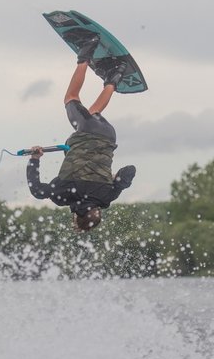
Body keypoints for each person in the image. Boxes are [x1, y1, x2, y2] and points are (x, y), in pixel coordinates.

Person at [26, 35, 136, 232]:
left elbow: (130, 170)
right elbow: (37, 191)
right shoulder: (63, 195)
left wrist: (115, 178)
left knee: (93, 112)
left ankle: (115, 74)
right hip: (87, 132)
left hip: (108, 136)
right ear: (76, 217)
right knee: (71, 98)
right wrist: (35, 158)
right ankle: (86, 51)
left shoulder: (107, 197)